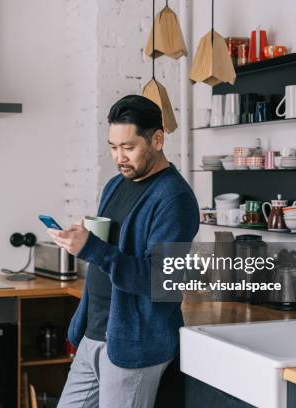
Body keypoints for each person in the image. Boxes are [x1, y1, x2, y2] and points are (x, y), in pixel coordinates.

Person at [48, 95, 199, 408]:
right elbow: (111, 249)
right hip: (96, 332)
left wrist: (92, 248)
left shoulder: (174, 199)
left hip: (134, 344)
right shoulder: (115, 185)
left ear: (157, 139)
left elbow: (159, 280)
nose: (119, 157)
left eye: (128, 147)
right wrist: (86, 239)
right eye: (113, 147)